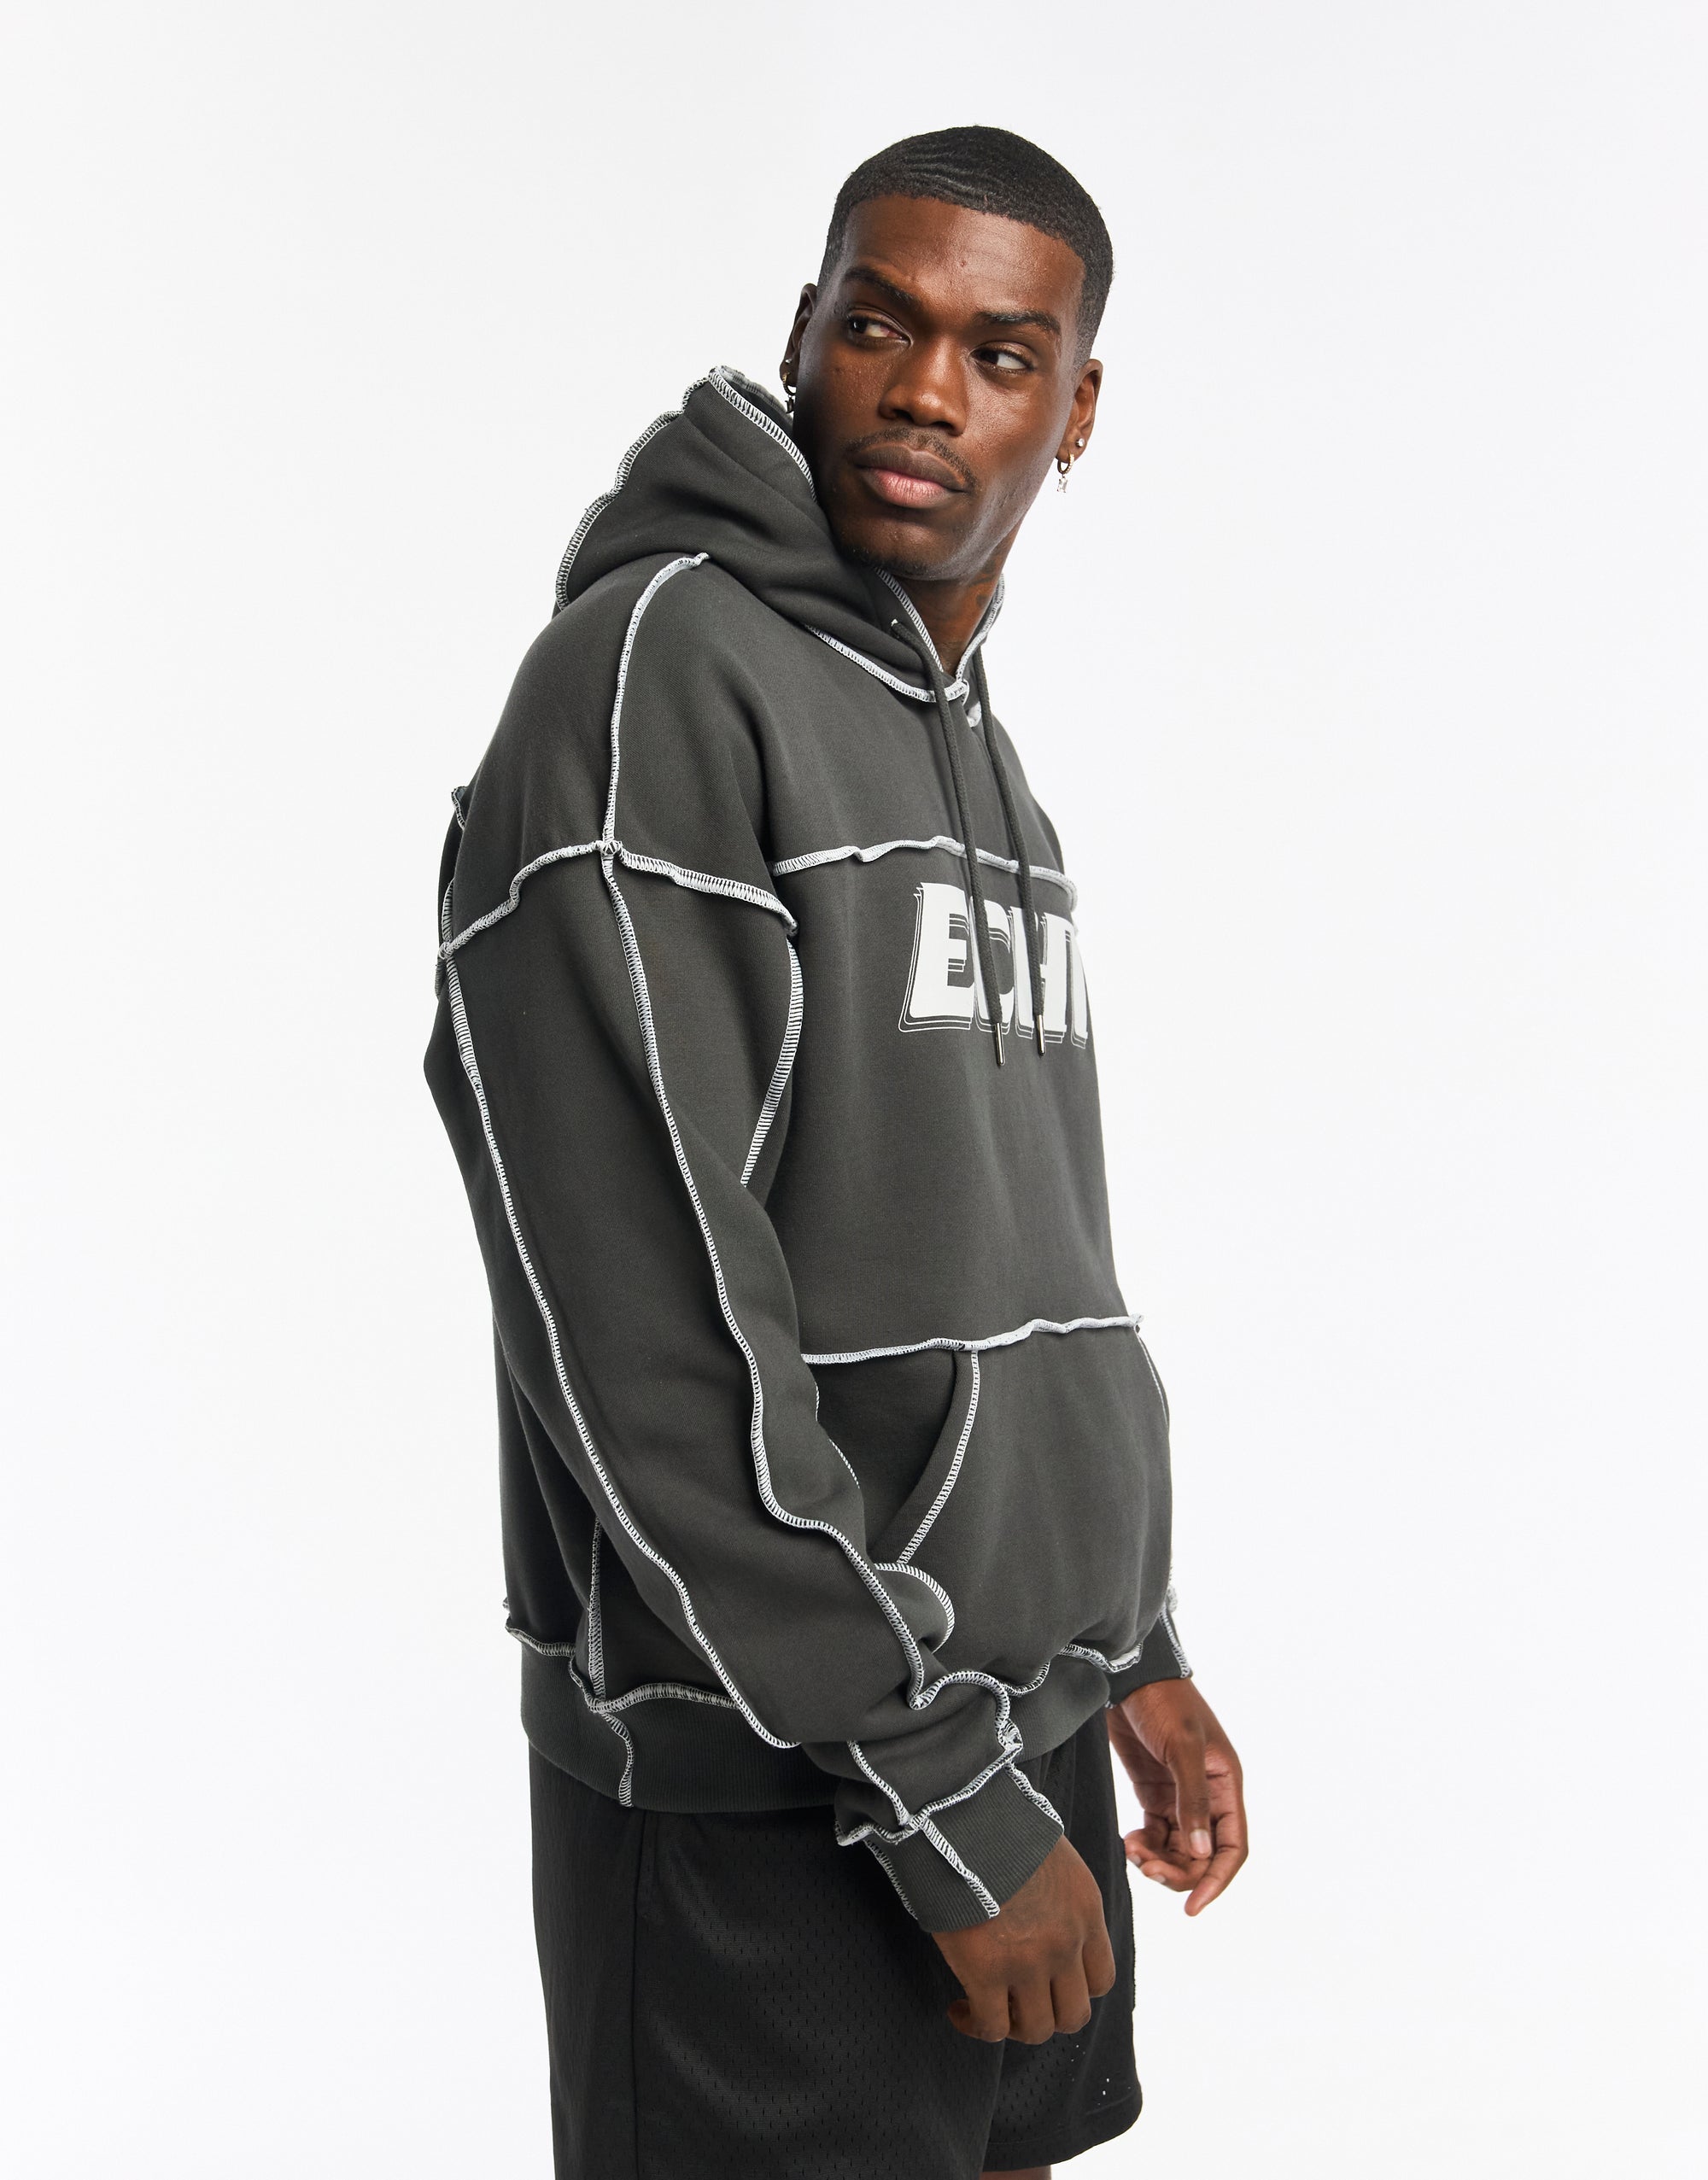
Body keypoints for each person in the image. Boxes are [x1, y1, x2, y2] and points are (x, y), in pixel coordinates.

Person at [425, 124, 1248, 2180]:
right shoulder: (656, 681)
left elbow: (1019, 1246)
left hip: (1004, 1721)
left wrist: (1125, 1647)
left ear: (1076, 410)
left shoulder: (978, 753)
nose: (924, 392)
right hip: (768, 1779)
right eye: (880, 326)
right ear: (801, 333)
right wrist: (931, 1781)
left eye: (999, 354)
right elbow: (641, 1319)